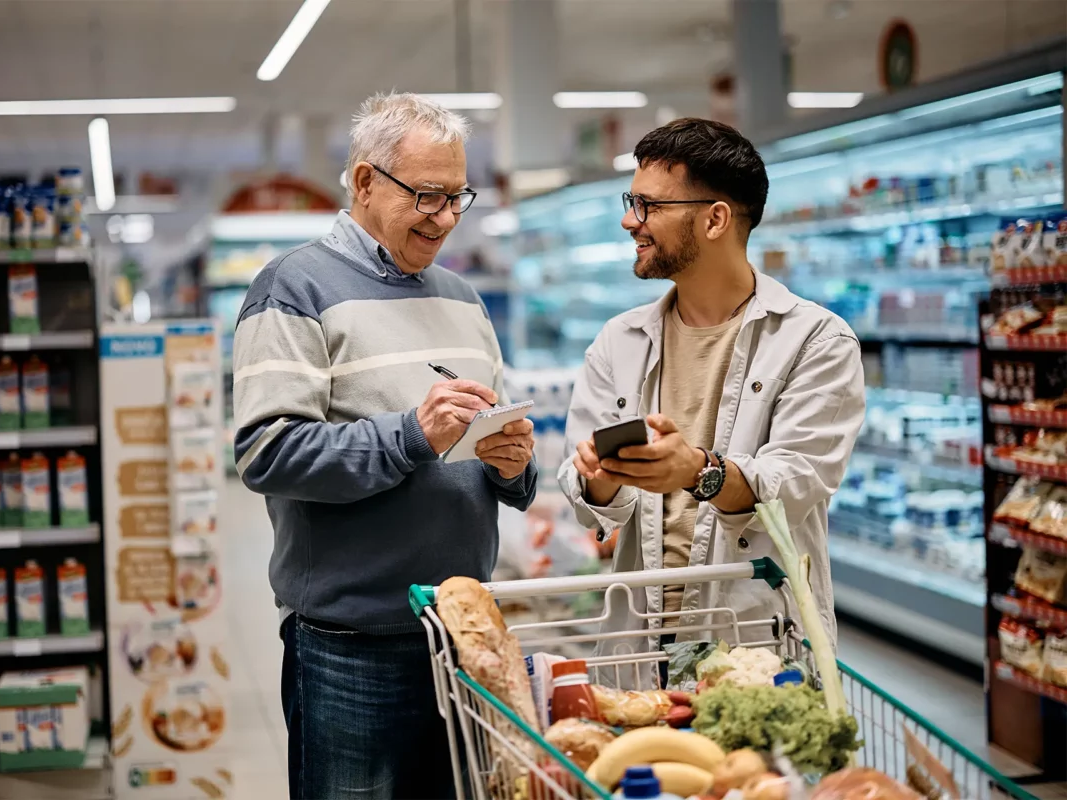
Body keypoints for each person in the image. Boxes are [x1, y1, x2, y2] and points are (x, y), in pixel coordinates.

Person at [232, 92, 537, 799]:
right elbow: (267, 451)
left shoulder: (463, 296)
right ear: (365, 182)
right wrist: (412, 434)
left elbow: (497, 454)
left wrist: (512, 468)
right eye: (427, 195)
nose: (445, 216)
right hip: (351, 645)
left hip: (462, 631)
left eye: (457, 196)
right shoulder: (291, 289)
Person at [558, 118, 865, 670]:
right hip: (639, 644)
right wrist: (599, 482)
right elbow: (585, 498)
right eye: (632, 201)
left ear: (715, 218)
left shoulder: (815, 339)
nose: (631, 221)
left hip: (756, 646)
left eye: (649, 205)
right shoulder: (619, 342)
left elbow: (797, 480)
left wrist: (699, 470)